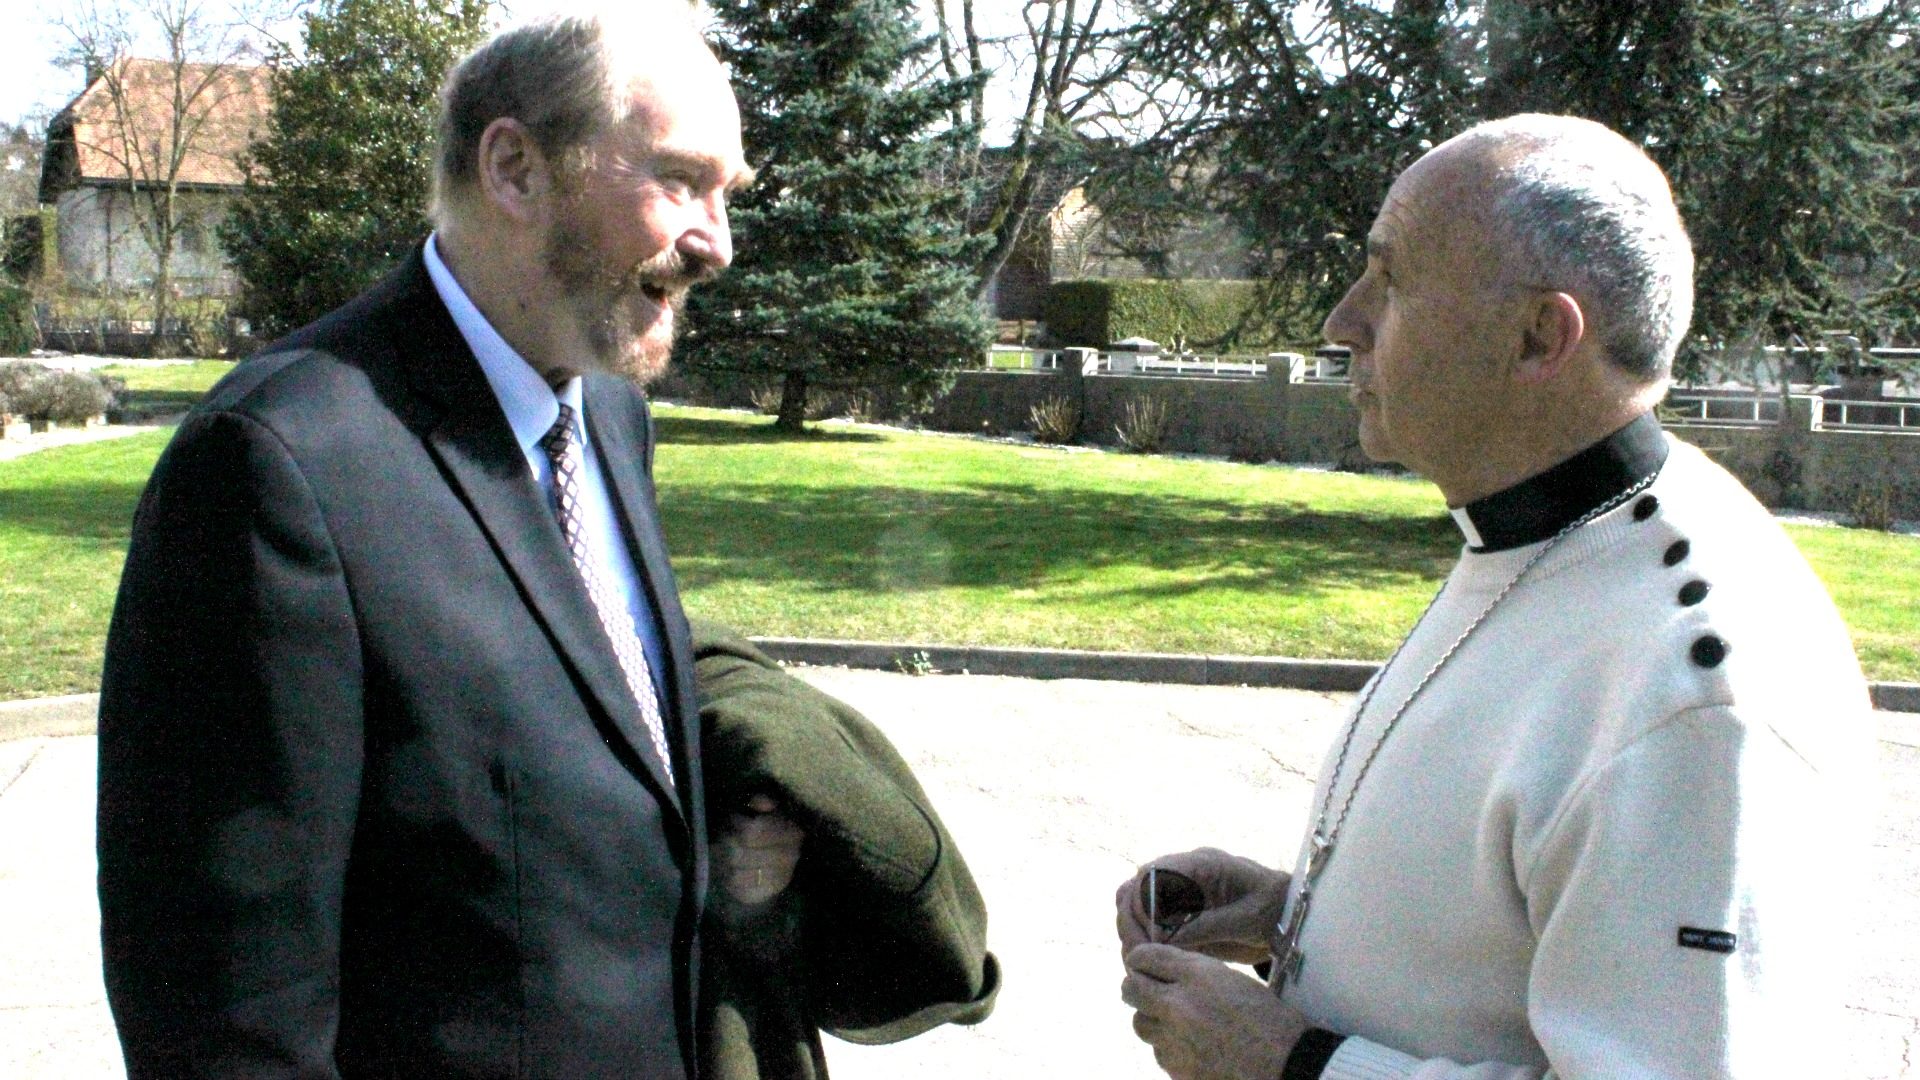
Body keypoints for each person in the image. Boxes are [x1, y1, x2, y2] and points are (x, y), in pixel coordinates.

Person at [97, 7, 794, 1076]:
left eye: (727, 195)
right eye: (679, 181)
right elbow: (228, 1019)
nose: (719, 243)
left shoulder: (609, 415)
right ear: (514, 168)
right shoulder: (274, 467)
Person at [1115, 113, 1876, 1079]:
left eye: (1390, 282)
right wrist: (1292, 911)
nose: (1342, 320)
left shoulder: (1696, 691)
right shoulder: (1546, 536)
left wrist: (1291, 1065)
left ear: (1538, 337)